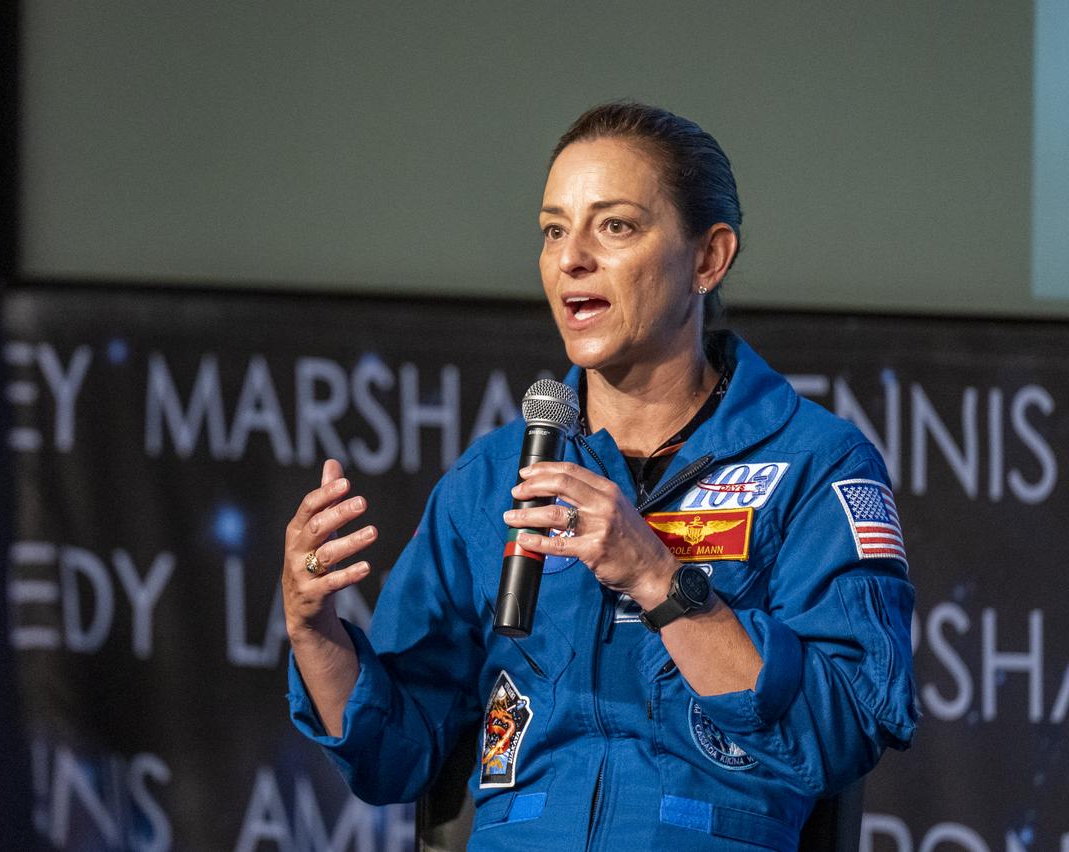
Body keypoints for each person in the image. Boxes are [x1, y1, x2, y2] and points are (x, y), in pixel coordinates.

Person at [282, 102, 917, 850]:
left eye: (614, 226)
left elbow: (846, 727)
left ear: (708, 259)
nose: (570, 258)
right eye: (554, 230)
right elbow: (393, 758)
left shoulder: (815, 463)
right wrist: (313, 630)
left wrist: (658, 577)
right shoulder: (492, 479)